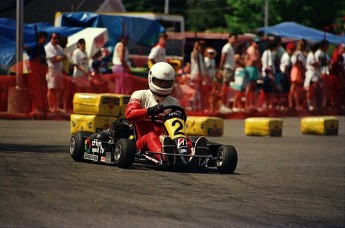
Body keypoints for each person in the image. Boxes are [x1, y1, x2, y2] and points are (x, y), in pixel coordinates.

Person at [125, 62, 206, 164]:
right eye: (160, 82)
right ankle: (164, 156)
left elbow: (179, 124)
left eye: (166, 83)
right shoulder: (140, 95)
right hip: (142, 142)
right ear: (151, 79)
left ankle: (191, 155)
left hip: (166, 139)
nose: (163, 85)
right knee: (151, 136)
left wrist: (180, 117)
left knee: (183, 136)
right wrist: (149, 111)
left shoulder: (173, 102)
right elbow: (129, 114)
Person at [24, 31, 48, 115]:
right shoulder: (35, 46)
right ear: (39, 38)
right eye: (43, 38)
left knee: (41, 91)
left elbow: (43, 59)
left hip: (41, 73)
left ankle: (40, 107)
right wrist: (25, 47)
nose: (45, 40)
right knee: (34, 91)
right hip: (34, 73)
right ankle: (35, 108)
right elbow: (27, 48)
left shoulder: (42, 48)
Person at [44, 32, 67, 113]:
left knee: (58, 89)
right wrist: (59, 57)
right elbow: (53, 59)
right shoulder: (48, 47)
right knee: (51, 89)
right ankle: (51, 107)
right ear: (51, 38)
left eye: (57, 38)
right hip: (52, 70)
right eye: (54, 38)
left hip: (59, 70)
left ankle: (56, 107)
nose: (56, 40)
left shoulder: (59, 47)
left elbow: (65, 57)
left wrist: (59, 57)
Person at [219, 33, 237, 107]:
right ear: (229, 38)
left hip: (230, 68)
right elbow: (223, 57)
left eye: (235, 39)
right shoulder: (227, 47)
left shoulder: (231, 47)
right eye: (233, 38)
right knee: (224, 87)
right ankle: (222, 104)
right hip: (227, 68)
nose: (234, 40)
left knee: (227, 87)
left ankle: (225, 104)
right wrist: (221, 68)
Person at [288, 39, 307, 110]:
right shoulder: (298, 54)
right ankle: (291, 104)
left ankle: (296, 104)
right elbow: (296, 62)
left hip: (298, 71)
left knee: (297, 89)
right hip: (297, 71)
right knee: (293, 88)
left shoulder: (300, 53)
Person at [244, 37, 261, 111]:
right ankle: (247, 104)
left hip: (255, 69)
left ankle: (251, 104)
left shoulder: (257, 50)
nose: (257, 44)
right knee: (249, 86)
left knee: (253, 88)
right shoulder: (251, 49)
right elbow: (254, 60)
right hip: (251, 68)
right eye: (256, 42)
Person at [189, 41, 207, 111]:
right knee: (196, 91)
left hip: (200, 74)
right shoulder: (195, 53)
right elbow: (194, 55)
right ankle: (194, 105)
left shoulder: (201, 55)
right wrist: (195, 47)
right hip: (196, 73)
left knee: (199, 91)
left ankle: (199, 105)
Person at [304, 43, 321, 110]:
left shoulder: (312, 55)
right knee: (310, 90)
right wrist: (319, 62)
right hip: (311, 75)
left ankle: (312, 103)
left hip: (314, 74)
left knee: (313, 90)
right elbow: (314, 64)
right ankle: (309, 104)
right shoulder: (311, 55)